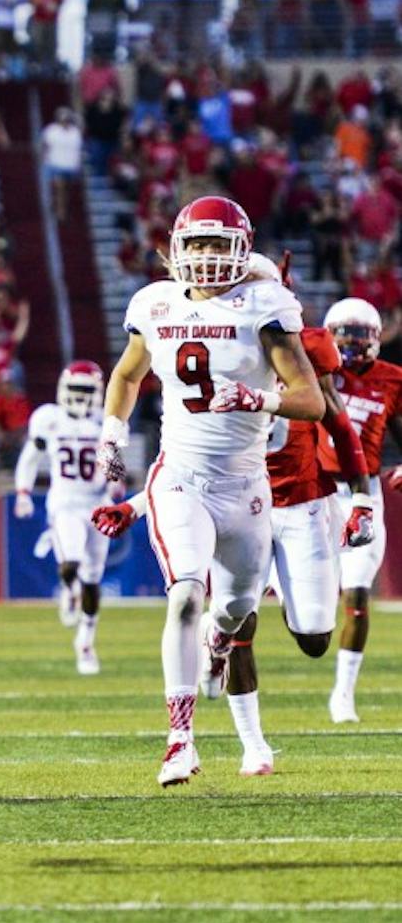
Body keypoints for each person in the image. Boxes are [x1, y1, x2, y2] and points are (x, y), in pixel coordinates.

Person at [94, 254, 375, 775]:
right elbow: (189, 445)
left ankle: (218, 635)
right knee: (213, 606)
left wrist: (360, 498)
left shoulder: (301, 341)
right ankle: (239, 744)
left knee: (313, 635)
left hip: (294, 500)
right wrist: (134, 502)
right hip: (214, 487)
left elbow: (333, 420)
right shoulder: (184, 320)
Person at [317, 297, 402, 722]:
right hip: (314, 495)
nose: (352, 343)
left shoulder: (391, 378)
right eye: (344, 334)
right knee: (303, 615)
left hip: (363, 495)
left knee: (356, 594)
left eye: (360, 335)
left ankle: (343, 693)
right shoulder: (314, 371)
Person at [14, 360, 110, 675]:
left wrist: (115, 483)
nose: (80, 395)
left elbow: (115, 464)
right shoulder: (49, 419)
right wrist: (23, 492)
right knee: (71, 562)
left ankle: (86, 641)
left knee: (93, 579)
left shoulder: (107, 421)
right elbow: (30, 457)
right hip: (66, 502)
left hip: (97, 504)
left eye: (86, 389)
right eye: (76, 388)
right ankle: (69, 590)